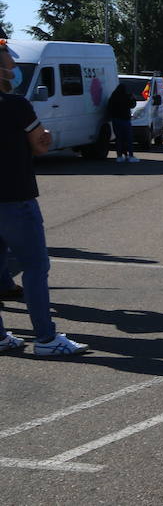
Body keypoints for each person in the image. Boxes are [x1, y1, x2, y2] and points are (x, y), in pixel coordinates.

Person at [0, 41, 89, 355]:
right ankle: (46, 339)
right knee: (36, 267)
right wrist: (45, 136)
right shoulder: (15, 105)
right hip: (14, 197)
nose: (13, 67)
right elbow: (40, 144)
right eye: (9, 63)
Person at [107, 82, 138, 163]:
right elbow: (132, 105)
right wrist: (133, 98)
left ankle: (119, 156)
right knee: (128, 139)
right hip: (125, 120)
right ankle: (130, 155)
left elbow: (109, 108)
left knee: (119, 139)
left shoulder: (113, 97)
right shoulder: (126, 97)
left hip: (116, 120)